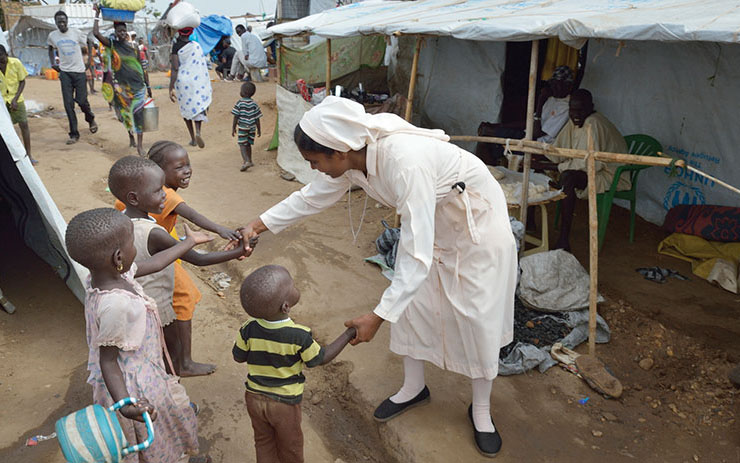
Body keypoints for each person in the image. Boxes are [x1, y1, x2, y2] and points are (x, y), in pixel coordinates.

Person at [233, 96, 517, 458]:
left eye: (315, 162)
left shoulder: (404, 162)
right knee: (413, 305)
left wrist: (378, 316)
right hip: (435, 222)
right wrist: (256, 226)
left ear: (339, 151)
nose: (314, 169)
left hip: (477, 227)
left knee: (476, 317)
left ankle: (481, 411)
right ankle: (414, 387)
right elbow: (309, 198)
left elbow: (415, 253)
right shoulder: (351, 162)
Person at [65, 207, 212, 463]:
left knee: (163, 424)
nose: (135, 246)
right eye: (132, 242)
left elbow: (156, 263)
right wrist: (126, 403)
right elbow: (108, 361)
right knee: (153, 433)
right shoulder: (116, 304)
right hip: (133, 383)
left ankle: (175, 456)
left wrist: (188, 242)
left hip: (145, 368)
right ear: (118, 256)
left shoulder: (111, 275)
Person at [109, 156, 251, 377]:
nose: (165, 195)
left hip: (132, 305)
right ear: (134, 198)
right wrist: (239, 251)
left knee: (144, 354)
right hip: (156, 308)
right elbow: (198, 259)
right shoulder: (154, 234)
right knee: (168, 353)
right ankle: (171, 385)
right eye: (158, 190)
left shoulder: (120, 221)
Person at [137, 140, 242, 376]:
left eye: (188, 164)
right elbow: (193, 220)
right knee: (184, 297)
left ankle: (169, 353)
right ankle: (183, 362)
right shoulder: (166, 196)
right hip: (158, 249)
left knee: (169, 299)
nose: (187, 171)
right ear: (159, 171)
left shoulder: (140, 192)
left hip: (150, 244)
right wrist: (223, 233)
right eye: (179, 167)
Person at [233, 265, 356, 463]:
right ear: (286, 307)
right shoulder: (299, 335)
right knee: (291, 446)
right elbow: (320, 358)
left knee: (263, 441)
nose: (295, 286)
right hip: (284, 404)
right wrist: (349, 333)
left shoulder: (248, 328)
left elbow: (238, 356)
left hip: (254, 397)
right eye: (292, 286)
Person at [546, 88, 630, 251]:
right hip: (592, 170)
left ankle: (564, 239)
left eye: (580, 110)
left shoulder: (593, 123)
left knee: (568, 178)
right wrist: (541, 159)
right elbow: (558, 151)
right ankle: (530, 224)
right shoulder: (575, 120)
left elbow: (588, 165)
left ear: (591, 107)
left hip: (609, 175)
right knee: (545, 170)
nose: (576, 114)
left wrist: (555, 166)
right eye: (572, 110)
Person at [475, 65, 575, 166]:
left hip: (536, 144)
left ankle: (487, 169)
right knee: (485, 135)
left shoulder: (566, 107)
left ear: (568, 85)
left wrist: (540, 102)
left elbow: (535, 133)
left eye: (557, 84)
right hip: (525, 136)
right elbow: (529, 122)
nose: (553, 87)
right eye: (552, 83)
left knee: (486, 134)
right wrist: (498, 125)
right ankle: (487, 170)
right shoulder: (551, 99)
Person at [93, 10, 152, 156]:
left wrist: (148, 85)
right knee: (125, 116)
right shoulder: (112, 45)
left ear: (127, 32)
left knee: (139, 116)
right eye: (119, 31)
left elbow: (142, 68)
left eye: (124, 31)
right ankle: (131, 136)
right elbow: (96, 33)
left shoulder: (134, 48)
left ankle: (139, 146)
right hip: (123, 89)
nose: (122, 33)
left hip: (138, 87)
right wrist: (97, 14)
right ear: (115, 32)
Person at [47, 10, 98, 145]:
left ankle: (90, 118)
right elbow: (50, 48)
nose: (62, 24)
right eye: (59, 22)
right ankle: (74, 134)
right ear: (56, 23)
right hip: (65, 73)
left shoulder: (76, 33)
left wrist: (89, 61)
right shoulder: (53, 36)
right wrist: (52, 63)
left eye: (63, 21)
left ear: (67, 21)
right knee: (68, 104)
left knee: (81, 101)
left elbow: (89, 42)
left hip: (79, 71)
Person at [169, 27, 212, 149]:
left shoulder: (176, 47)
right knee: (197, 107)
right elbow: (202, 66)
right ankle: (198, 131)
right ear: (191, 33)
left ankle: (193, 138)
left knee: (186, 108)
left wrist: (170, 87)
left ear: (179, 32)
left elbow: (175, 68)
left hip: (183, 81)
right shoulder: (196, 46)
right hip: (197, 81)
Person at [0, 45, 36, 165]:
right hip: (2, 101)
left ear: (6, 55)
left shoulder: (16, 63)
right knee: (5, 129)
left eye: (2, 59)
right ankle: (10, 157)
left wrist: (15, 99)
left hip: (16, 98)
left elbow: (22, 81)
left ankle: (28, 155)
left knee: (24, 124)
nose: (1, 63)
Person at [231, 82, 262, 171]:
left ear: (243, 92)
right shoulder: (254, 104)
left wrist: (233, 128)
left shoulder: (239, 103)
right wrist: (259, 129)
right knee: (248, 143)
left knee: (242, 144)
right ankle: (250, 160)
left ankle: (246, 161)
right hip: (252, 127)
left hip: (243, 127)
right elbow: (257, 118)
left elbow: (236, 116)